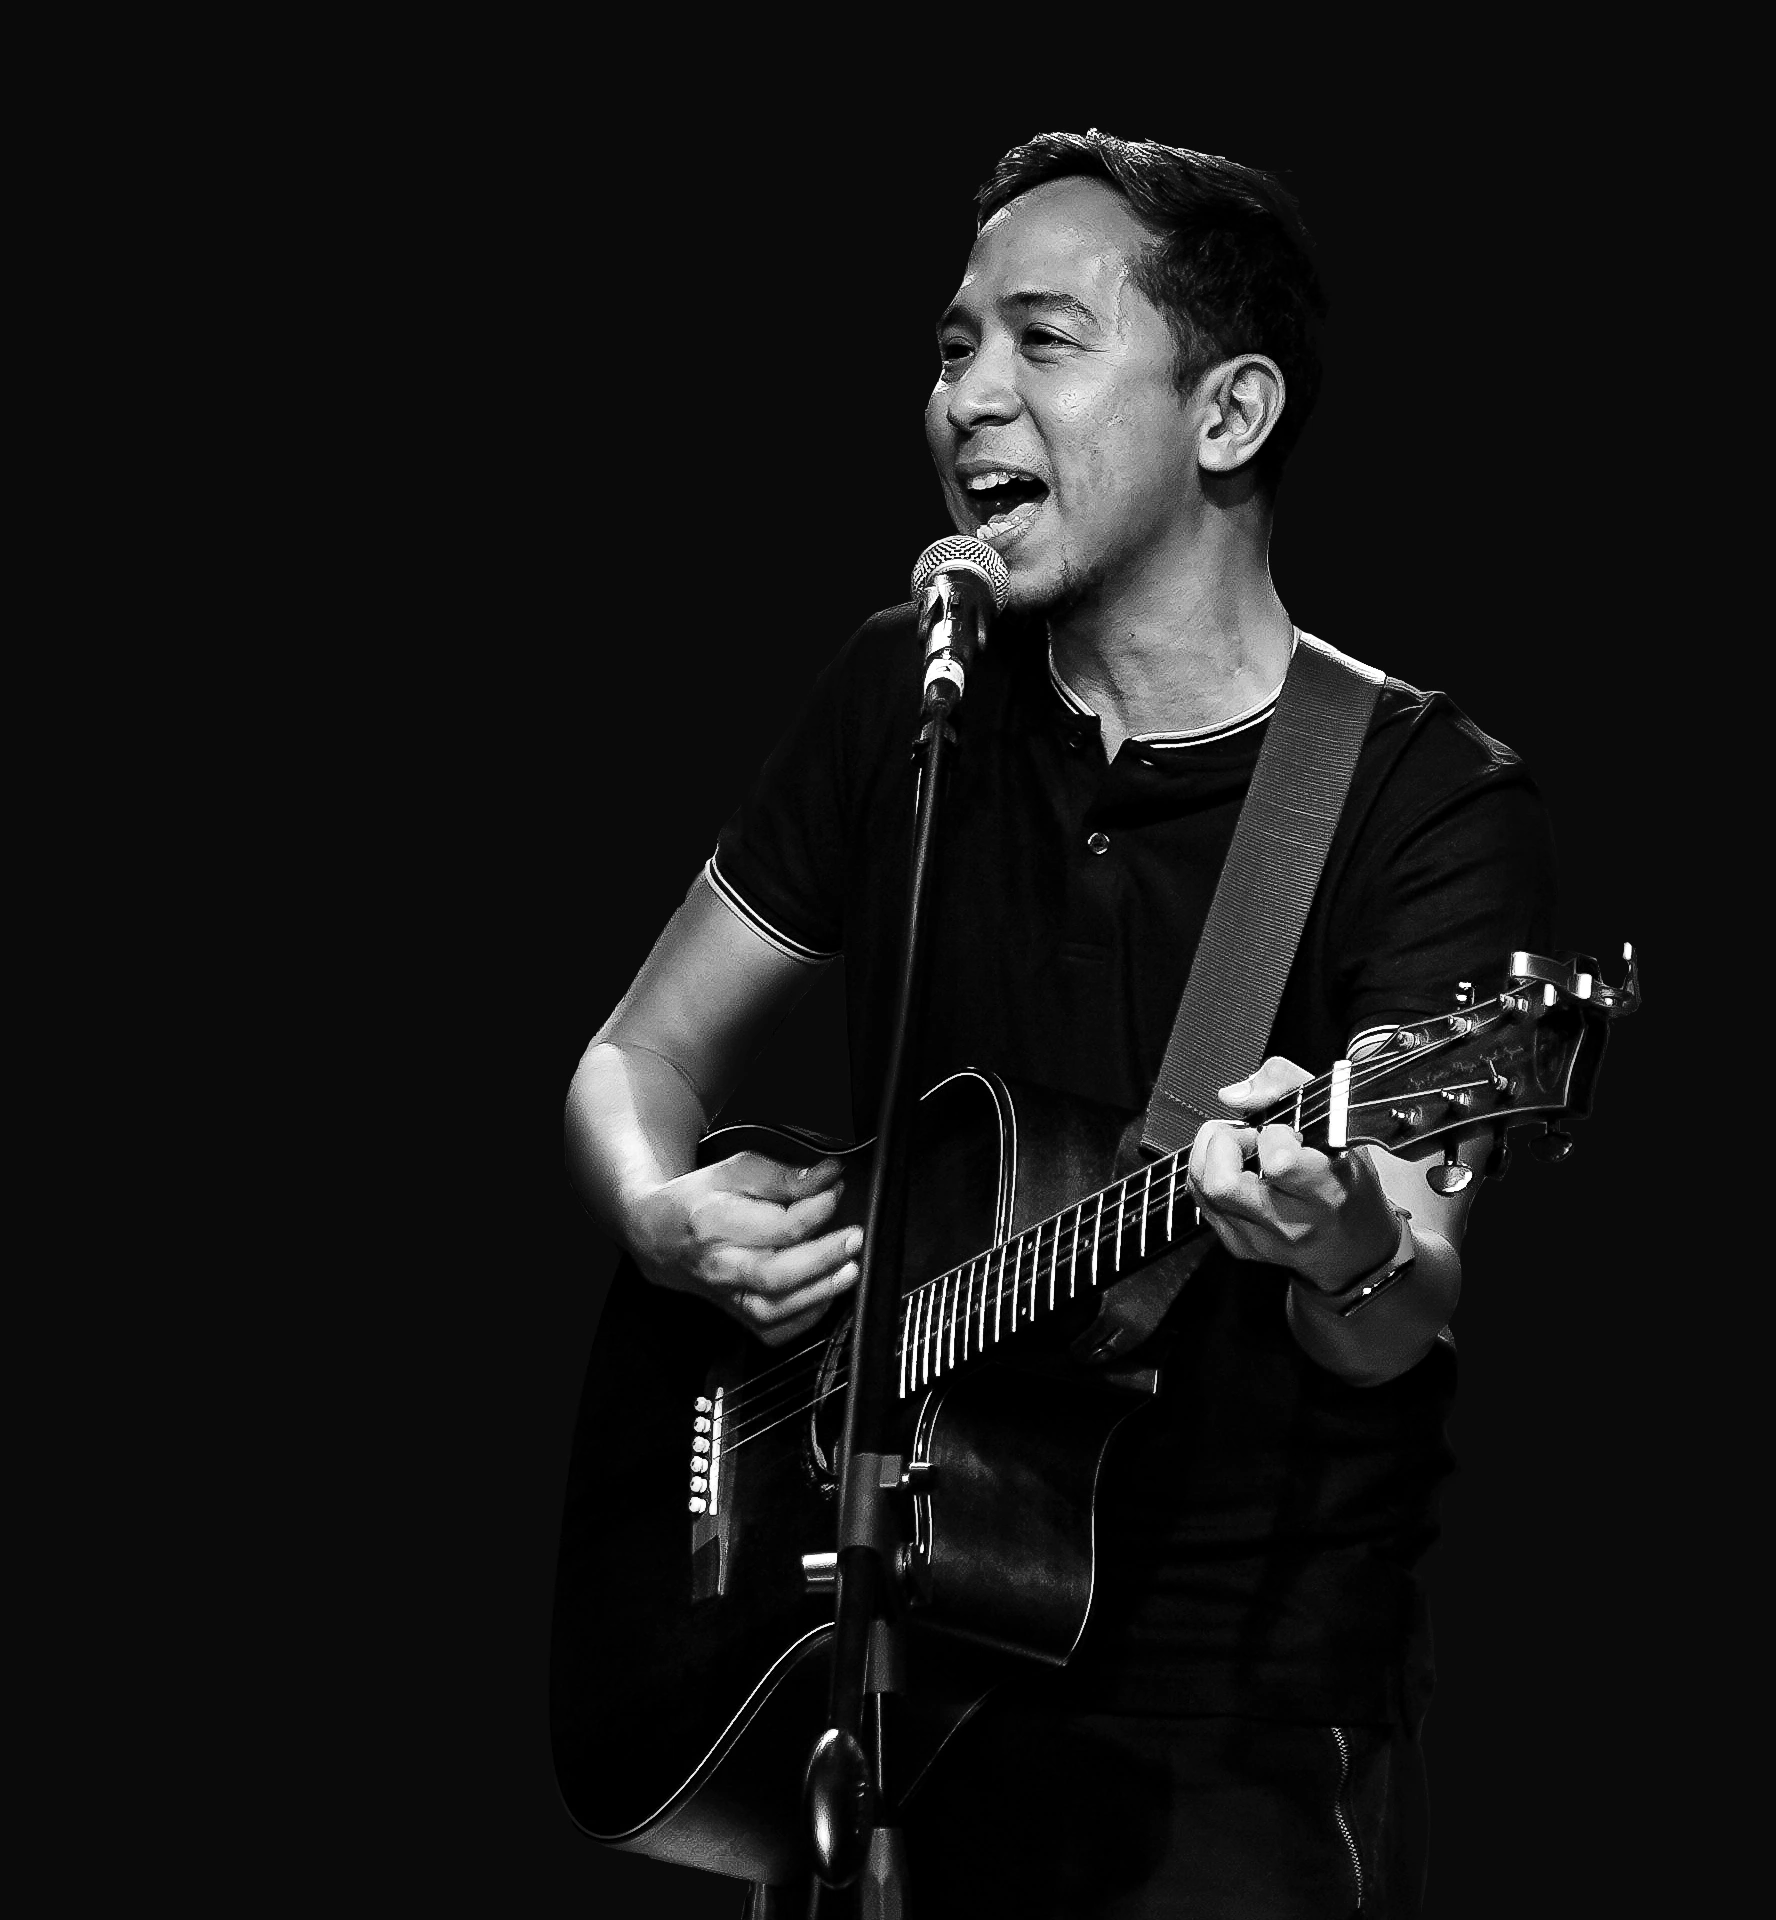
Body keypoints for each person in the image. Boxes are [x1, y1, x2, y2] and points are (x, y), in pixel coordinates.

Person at [564, 130, 1556, 1919]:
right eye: (954, 348)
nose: (969, 398)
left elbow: (1402, 1303)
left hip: (1223, 1729)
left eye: (1043, 339)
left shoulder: (1417, 798)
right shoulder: (904, 692)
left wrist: (1335, 1237)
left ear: (1229, 414)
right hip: (876, 1671)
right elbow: (637, 1058)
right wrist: (660, 1214)